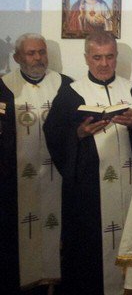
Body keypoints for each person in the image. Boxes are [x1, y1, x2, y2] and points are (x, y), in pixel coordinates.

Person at [43, 31, 132, 295]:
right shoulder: (71, 93)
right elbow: (54, 134)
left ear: (116, 57)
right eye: (97, 57)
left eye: (109, 57)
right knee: (88, 256)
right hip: (88, 193)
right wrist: (79, 133)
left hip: (129, 188)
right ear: (87, 58)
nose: (104, 63)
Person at [0, 34, 72, 293]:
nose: (38, 58)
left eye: (41, 52)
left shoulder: (65, 86)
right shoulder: (4, 87)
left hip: (58, 178)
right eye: (31, 53)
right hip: (16, 180)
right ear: (18, 57)